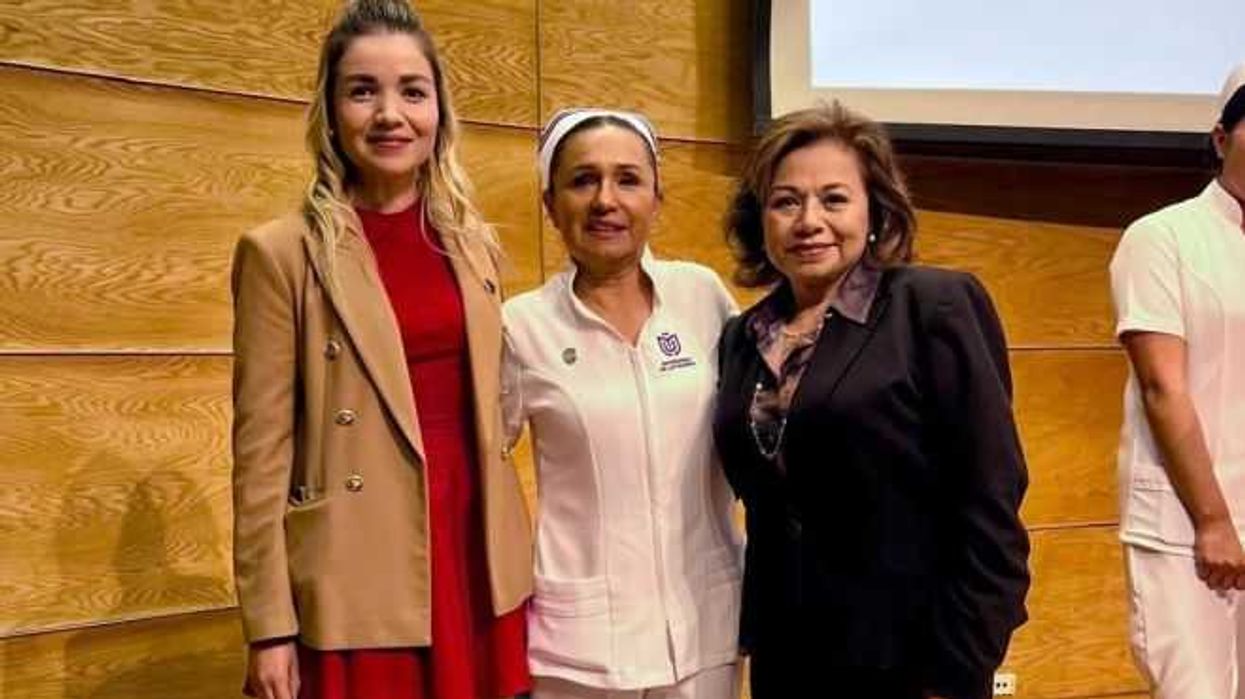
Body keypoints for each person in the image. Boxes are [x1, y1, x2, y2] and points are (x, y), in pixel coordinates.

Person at [230, 2, 533, 698]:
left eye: (412, 91)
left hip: (475, 554)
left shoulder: (474, 243)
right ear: (331, 111)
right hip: (358, 569)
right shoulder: (281, 253)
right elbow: (260, 455)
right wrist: (269, 625)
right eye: (363, 90)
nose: (390, 114)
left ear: (439, 112)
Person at [712, 102, 1030, 699]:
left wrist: (960, 667)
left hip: (915, 662)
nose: (809, 220)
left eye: (834, 199)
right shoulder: (742, 336)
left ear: (875, 211)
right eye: (786, 201)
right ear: (761, 220)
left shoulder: (933, 306)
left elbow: (991, 501)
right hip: (788, 659)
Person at [500, 108, 743, 699]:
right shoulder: (519, 325)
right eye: (583, 180)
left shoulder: (703, 296)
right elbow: (478, 466)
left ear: (657, 198)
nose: (605, 200)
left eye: (628, 179)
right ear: (550, 205)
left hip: (706, 631)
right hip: (580, 650)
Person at [1109, 63, 1245, 699]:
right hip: (1189, 528)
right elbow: (1165, 389)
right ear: (1222, 138)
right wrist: (1214, 520)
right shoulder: (1162, 237)